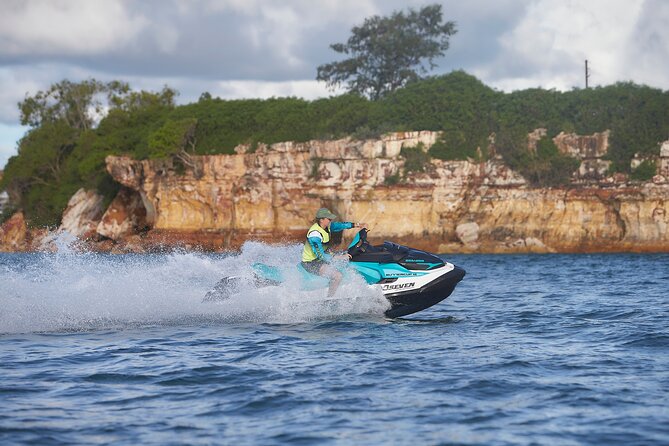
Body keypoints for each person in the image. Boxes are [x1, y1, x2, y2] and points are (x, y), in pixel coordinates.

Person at [301, 208, 365, 297]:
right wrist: (339, 257)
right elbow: (321, 256)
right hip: (311, 263)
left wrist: (356, 225)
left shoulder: (327, 226)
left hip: (322, 258)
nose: (331, 220)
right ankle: (329, 299)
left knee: (346, 262)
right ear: (321, 220)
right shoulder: (315, 234)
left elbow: (340, 225)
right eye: (329, 219)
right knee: (337, 276)